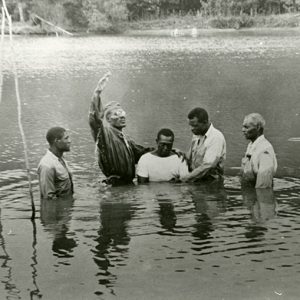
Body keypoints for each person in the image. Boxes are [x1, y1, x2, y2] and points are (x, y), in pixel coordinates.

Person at [88, 72, 151, 185]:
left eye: (122, 112)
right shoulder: (105, 135)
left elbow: (142, 153)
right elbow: (94, 120)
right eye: (116, 114)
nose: (121, 116)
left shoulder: (126, 140)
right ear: (109, 119)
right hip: (115, 186)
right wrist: (97, 93)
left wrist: (168, 151)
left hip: (128, 185)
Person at [181, 107, 226, 183]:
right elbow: (189, 158)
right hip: (197, 179)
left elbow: (208, 166)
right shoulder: (197, 134)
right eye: (190, 125)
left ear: (205, 122)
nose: (191, 129)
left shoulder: (216, 137)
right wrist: (175, 153)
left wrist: (185, 179)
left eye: (195, 126)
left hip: (211, 184)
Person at [241, 113, 277, 188]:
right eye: (243, 127)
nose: (243, 130)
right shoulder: (252, 145)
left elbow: (263, 187)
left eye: (246, 127)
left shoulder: (264, 150)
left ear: (257, 128)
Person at [37, 127, 73, 200]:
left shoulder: (61, 159)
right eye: (66, 138)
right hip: (58, 210)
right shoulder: (47, 165)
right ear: (57, 141)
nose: (70, 141)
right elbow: (48, 199)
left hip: (67, 206)